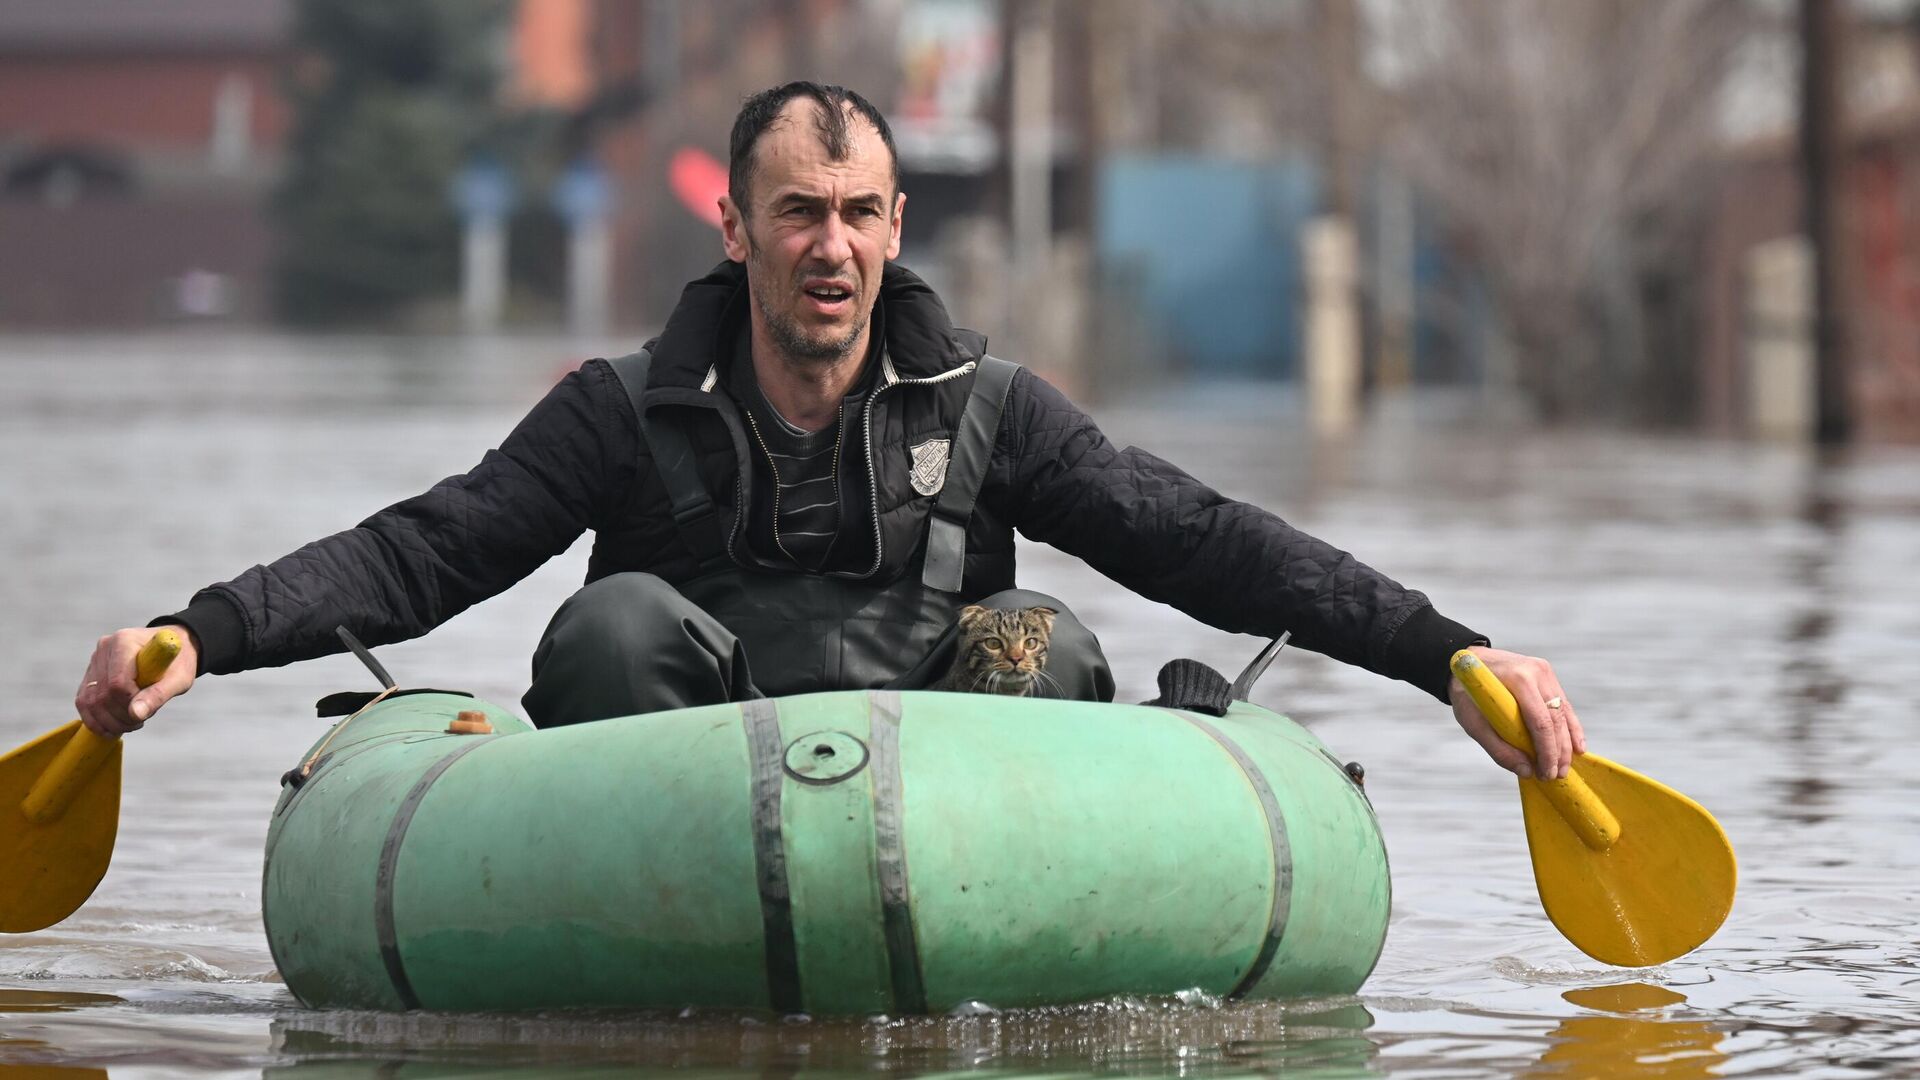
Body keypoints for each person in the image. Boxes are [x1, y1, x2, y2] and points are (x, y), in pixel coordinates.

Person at [75, 82, 1585, 781]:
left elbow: (1205, 540)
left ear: (896, 227)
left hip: (955, 804)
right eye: (799, 211)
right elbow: (425, 553)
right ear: (736, 226)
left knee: (1041, 636)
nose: (832, 246)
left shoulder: (990, 412)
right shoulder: (615, 412)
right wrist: (202, 630)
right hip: (661, 816)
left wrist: (1445, 652)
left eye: (860, 213)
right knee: (604, 629)